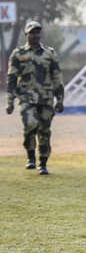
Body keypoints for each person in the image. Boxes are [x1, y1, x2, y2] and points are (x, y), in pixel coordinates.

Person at [6, 20, 64, 175]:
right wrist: (10, 101)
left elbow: (57, 77)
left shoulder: (49, 53)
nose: (35, 35)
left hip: (46, 99)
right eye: (32, 32)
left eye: (37, 32)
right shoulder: (18, 54)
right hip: (26, 98)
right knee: (30, 125)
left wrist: (60, 99)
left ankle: (42, 163)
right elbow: (11, 78)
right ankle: (30, 156)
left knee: (44, 131)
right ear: (26, 34)